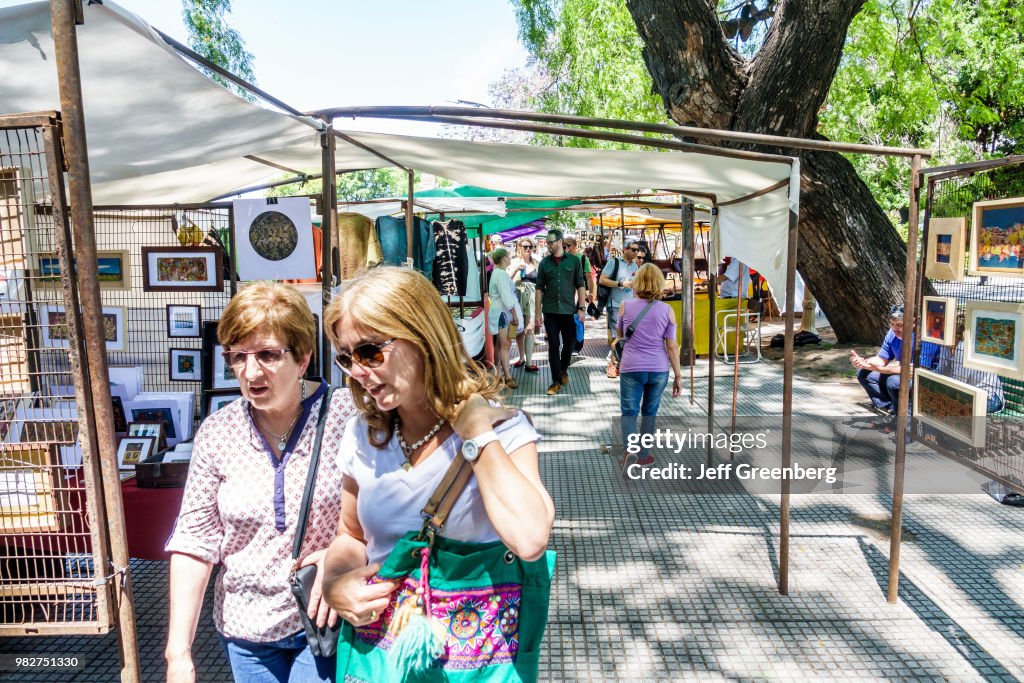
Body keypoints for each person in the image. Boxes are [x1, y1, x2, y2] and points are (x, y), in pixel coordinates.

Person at [321, 267, 554, 679]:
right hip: (382, 658)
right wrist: (335, 582)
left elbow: (530, 540)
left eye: (370, 352)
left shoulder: (505, 430)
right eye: (345, 357)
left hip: (480, 665)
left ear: (423, 336)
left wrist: (477, 435)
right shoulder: (362, 433)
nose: (356, 371)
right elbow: (350, 535)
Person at [165, 282, 357, 683]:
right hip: (244, 628)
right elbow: (195, 542)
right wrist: (178, 652)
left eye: (268, 354)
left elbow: (385, 512)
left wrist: (343, 553)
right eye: (238, 357)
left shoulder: (347, 416)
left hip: (322, 619)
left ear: (303, 358)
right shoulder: (219, 431)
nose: (251, 372)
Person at [616, 264, 683, 471]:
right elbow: (671, 346)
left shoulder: (624, 306)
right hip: (658, 369)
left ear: (638, 282)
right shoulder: (667, 310)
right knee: (649, 412)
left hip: (631, 367)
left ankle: (630, 452)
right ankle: (644, 456)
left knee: (629, 412)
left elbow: (620, 335)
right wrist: (678, 376)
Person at [850, 305, 940, 427]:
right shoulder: (892, 333)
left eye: (899, 325)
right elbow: (882, 359)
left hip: (928, 377)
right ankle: (891, 411)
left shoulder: (926, 336)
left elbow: (916, 370)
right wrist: (864, 362)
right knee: (864, 373)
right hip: (905, 373)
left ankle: (905, 422)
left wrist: (879, 369)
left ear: (913, 322)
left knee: (894, 382)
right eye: (892, 324)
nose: (894, 329)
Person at [534, 228, 587, 395]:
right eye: (547, 242)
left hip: (568, 309)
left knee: (570, 343)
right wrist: (537, 312)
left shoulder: (574, 261)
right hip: (550, 310)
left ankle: (563, 370)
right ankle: (555, 381)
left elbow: (580, 284)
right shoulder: (544, 263)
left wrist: (581, 308)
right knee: (553, 346)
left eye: (551, 242)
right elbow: (539, 288)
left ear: (559, 242)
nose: (548, 245)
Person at [939, 312, 1005, 414]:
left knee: (952, 407)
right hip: (968, 394)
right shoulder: (945, 345)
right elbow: (940, 371)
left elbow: (959, 383)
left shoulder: (964, 348)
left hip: (990, 398)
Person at [598, 242, 639, 378]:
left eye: (637, 250)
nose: (636, 252)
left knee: (626, 336)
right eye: (633, 249)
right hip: (615, 305)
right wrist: (620, 284)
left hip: (630, 306)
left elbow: (635, 288)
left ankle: (620, 364)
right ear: (625, 250)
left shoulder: (635, 266)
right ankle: (612, 365)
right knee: (616, 336)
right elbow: (602, 280)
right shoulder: (613, 262)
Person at [487, 247, 521, 389]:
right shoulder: (501, 274)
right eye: (508, 256)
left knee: (500, 344)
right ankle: (507, 376)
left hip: (499, 312)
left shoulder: (498, 273)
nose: (510, 258)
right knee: (505, 344)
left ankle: (498, 372)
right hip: (503, 314)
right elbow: (506, 297)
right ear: (503, 259)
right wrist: (514, 314)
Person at [508, 238, 541, 373]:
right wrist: (516, 270)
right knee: (516, 331)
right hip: (517, 299)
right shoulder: (513, 262)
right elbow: (506, 280)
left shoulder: (537, 263)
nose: (528, 249)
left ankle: (529, 362)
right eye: (525, 246)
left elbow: (541, 284)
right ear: (519, 247)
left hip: (532, 300)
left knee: (530, 329)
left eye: (531, 247)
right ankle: (520, 358)